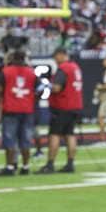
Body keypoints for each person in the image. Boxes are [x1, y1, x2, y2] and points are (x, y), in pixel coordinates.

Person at [0, 50, 40, 176]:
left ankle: (10, 166)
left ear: (12, 58)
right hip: (27, 109)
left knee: (9, 139)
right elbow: (40, 89)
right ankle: (25, 166)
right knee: (25, 139)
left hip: (10, 109)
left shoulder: (6, 72)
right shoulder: (31, 73)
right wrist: (32, 100)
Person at [35, 46, 83, 174]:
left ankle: (50, 164)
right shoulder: (75, 67)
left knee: (54, 134)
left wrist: (46, 85)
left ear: (61, 55)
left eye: (55, 57)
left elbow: (56, 88)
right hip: (75, 105)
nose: (55, 60)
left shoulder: (64, 68)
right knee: (70, 134)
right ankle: (70, 163)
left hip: (63, 105)